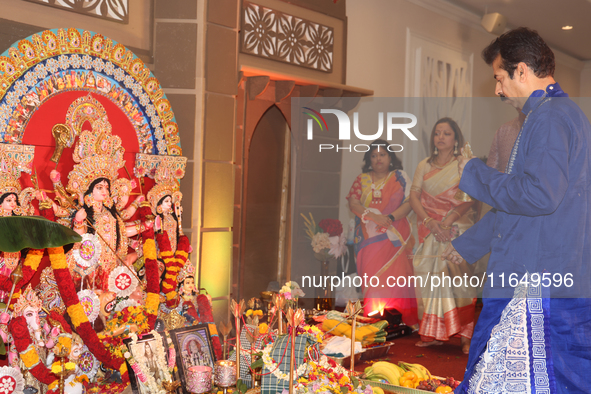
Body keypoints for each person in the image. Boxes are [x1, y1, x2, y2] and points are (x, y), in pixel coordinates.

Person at [444, 27, 591, 393]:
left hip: (536, 279)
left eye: (499, 78)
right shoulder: (552, 114)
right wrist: (470, 244)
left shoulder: (551, 117)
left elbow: (538, 196)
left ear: (521, 70)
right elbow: (524, 205)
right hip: (540, 268)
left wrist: (475, 173)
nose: (497, 90)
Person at [409, 118, 476, 354]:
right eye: (437, 133)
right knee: (429, 276)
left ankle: (466, 336)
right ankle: (434, 333)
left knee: (459, 281)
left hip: (456, 227)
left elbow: (469, 197)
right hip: (430, 228)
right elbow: (414, 197)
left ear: (455, 138)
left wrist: (447, 220)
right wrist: (430, 221)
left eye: (447, 133)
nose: (441, 137)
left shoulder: (463, 165)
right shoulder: (424, 166)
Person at [347, 139, 418, 325]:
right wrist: (374, 217)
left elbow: (410, 202)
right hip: (369, 238)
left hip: (395, 235)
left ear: (390, 157)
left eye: (382, 154)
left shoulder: (400, 177)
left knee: (398, 276)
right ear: (368, 159)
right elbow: (353, 203)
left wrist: (390, 218)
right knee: (372, 277)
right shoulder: (361, 179)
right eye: (374, 155)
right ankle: (375, 319)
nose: (378, 159)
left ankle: (400, 320)